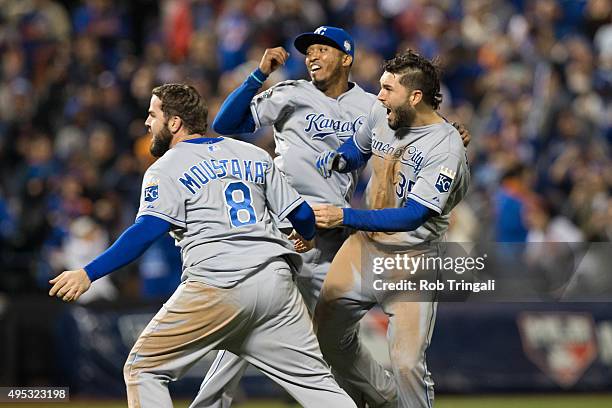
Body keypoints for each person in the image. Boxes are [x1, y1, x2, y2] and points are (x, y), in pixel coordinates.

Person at [196, 26, 471, 408]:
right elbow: (226, 125)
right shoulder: (292, 93)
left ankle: (383, 398)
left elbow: (414, 192)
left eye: (323, 49)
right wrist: (259, 76)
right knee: (249, 315)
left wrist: (447, 134)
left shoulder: (373, 106)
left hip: (337, 234)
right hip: (286, 224)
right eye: (309, 50)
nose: (312, 55)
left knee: (337, 342)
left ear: (346, 57)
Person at [49, 83, 357, 408]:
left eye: (153, 114)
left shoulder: (166, 167)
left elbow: (146, 230)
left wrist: (89, 273)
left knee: (144, 369)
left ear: (175, 123)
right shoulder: (253, 154)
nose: (146, 122)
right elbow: (303, 214)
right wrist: (306, 235)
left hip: (218, 283)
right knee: (319, 388)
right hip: (275, 286)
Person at [312, 49, 470, 408]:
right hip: (364, 246)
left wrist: (345, 216)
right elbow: (359, 148)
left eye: (387, 89)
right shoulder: (382, 114)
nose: (379, 95)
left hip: (412, 258)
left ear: (415, 96)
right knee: (324, 338)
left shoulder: (445, 147)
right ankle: (384, 398)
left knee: (407, 363)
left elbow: (413, 216)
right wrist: (342, 158)